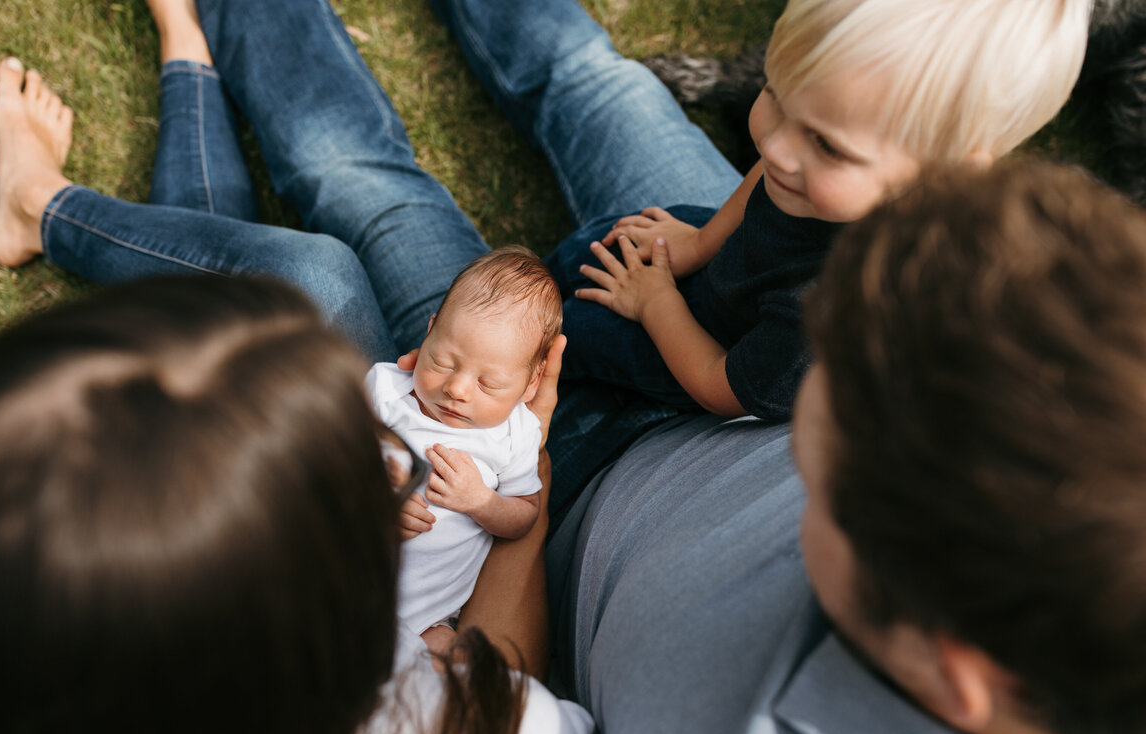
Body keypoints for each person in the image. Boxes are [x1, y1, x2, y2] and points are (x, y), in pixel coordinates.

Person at [545, 160, 1146, 734]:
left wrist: (515, 538)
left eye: (810, 481)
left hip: (560, 491)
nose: (778, 456)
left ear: (949, 672)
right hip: (735, 302)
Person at [0, 273, 592, 734]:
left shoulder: (7, 729)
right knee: (320, 266)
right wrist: (531, 461)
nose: (397, 469)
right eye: (370, 466)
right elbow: (503, 683)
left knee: (319, 264)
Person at [445, 0, 1089, 420]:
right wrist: (699, 243)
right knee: (593, 250)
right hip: (707, 271)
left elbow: (723, 387)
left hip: (696, 343)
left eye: (826, 144)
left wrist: (656, 302)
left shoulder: (843, 305)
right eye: (775, 95)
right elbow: (763, 173)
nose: (773, 144)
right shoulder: (802, 165)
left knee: (571, 331)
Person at [368, 246, 563, 644]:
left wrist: (482, 503)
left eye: (487, 383)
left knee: (443, 648)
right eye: (442, 360)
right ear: (429, 331)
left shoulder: (516, 435)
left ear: (530, 385)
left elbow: (525, 515)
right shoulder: (387, 390)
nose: (455, 389)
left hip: (422, 622)